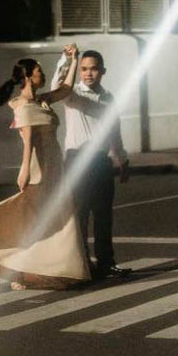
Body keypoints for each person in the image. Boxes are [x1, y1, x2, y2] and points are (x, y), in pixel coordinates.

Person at [0, 45, 91, 290]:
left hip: (54, 166)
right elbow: (29, 140)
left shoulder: (41, 100)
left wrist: (73, 59)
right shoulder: (23, 106)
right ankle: (19, 271)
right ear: (27, 77)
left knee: (59, 216)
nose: (43, 74)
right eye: (39, 71)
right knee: (35, 221)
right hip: (39, 169)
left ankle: (58, 267)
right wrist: (24, 170)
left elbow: (66, 89)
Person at [59, 48, 131, 278]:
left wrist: (122, 159)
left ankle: (106, 262)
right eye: (84, 69)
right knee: (80, 214)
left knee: (103, 215)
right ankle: (81, 263)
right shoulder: (72, 94)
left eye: (93, 69)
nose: (88, 74)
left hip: (101, 161)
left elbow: (114, 130)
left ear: (103, 71)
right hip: (77, 160)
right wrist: (68, 60)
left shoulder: (108, 97)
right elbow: (56, 86)